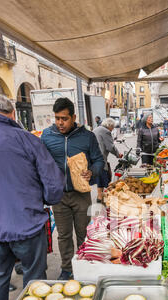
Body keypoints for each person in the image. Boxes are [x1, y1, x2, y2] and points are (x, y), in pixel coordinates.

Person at [0, 94, 64, 300]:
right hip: (28, 225)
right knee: (34, 281)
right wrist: (42, 199)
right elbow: (54, 186)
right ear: (12, 114)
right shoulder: (27, 139)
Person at [41, 97, 104, 281]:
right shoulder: (47, 136)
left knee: (84, 232)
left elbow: (99, 160)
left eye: (65, 118)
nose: (60, 122)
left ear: (73, 117)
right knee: (64, 235)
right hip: (58, 196)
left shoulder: (87, 136)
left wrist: (92, 172)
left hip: (82, 195)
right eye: (57, 118)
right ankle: (67, 268)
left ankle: (85, 265)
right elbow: (40, 162)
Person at [92, 118, 123, 203]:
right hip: (100, 158)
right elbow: (110, 146)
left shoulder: (96, 129)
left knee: (100, 176)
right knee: (103, 176)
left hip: (93, 157)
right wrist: (118, 154)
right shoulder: (105, 131)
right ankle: (100, 197)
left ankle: (100, 195)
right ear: (110, 126)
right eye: (112, 127)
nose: (112, 129)